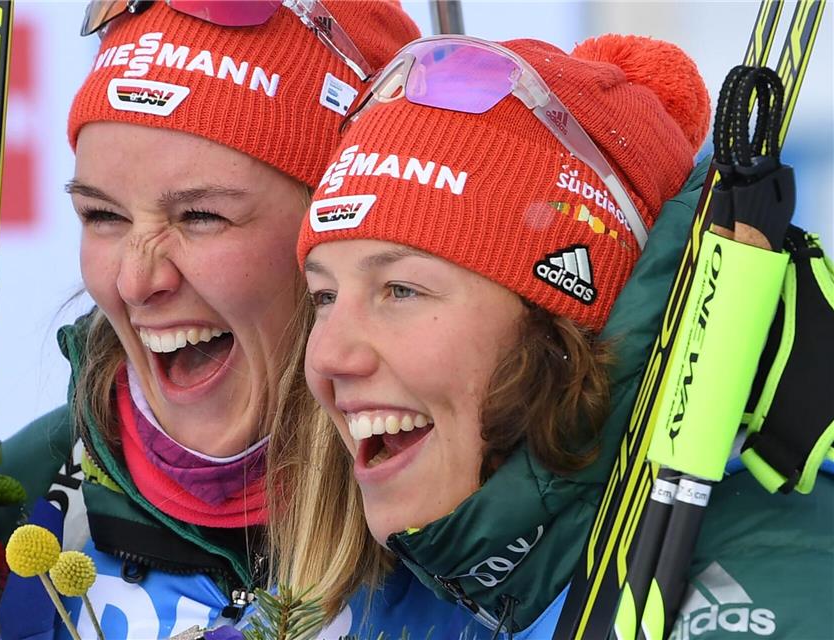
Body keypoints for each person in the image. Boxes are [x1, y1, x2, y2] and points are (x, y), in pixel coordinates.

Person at [282, 32, 834, 637]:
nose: (329, 356)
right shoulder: (401, 590)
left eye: (401, 290)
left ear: (562, 327)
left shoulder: (777, 587)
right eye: (325, 298)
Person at [0, 3, 483, 638]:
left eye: (201, 217)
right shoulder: (10, 506)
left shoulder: (474, 517)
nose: (137, 281)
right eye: (102, 216)